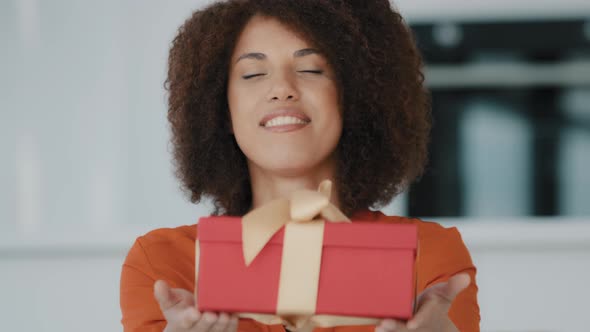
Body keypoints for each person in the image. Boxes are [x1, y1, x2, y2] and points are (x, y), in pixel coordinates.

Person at [120, 0, 480, 331]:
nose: (282, 89)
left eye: (311, 69)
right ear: (221, 109)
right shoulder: (163, 266)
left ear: (354, 96)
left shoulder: (427, 256)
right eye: (253, 74)